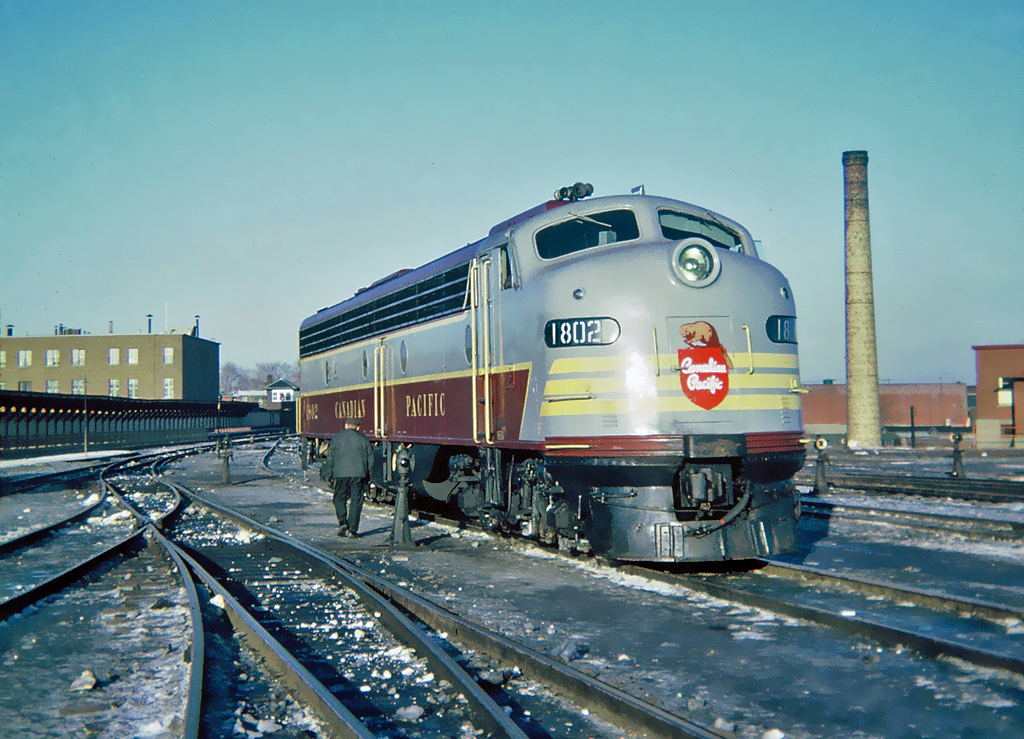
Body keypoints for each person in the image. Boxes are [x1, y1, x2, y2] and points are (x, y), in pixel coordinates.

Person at [324, 418, 375, 537]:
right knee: (356, 501)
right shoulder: (364, 439)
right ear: (358, 427)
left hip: (340, 474)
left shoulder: (337, 438)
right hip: (358, 474)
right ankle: (352, 529)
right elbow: (370, 459)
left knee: (339, 498)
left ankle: (343, 523)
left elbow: (330, 458)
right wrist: (369, 476)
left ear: (346, 425)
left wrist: (328, 475)